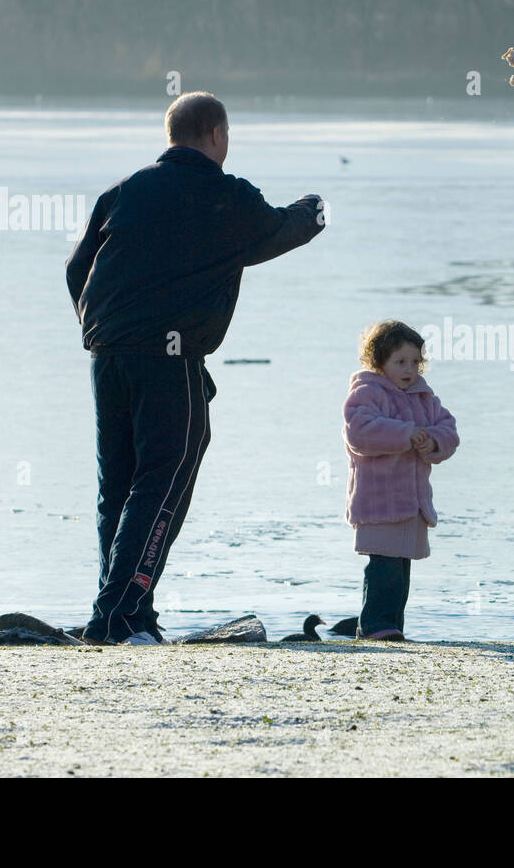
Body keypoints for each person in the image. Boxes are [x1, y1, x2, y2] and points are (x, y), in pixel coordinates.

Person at [64, 91, 325, 645]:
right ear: (217, 136)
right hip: (170, 359)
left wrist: (99, 329)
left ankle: (131, 614)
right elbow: (278, 231)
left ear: (170, 134)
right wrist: (314, 209)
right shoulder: (223, 195)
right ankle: (113, 614)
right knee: (165, 477)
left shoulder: (124, 192)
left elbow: (77, 268)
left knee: (121, 486)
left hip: (107, 357)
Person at [342, 321, 459, 641]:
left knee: (401, 569)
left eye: (415, 362)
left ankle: (391, 625)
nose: (409, 369)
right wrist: (406, 434)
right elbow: (360, 433)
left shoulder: (424, 398)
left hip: (412, 501)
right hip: (378, 498)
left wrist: (432, 440)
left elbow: (449, 431)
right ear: (379, 362)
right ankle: (375, 626)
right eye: (400, 361)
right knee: (384, 565)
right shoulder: (367, 393)